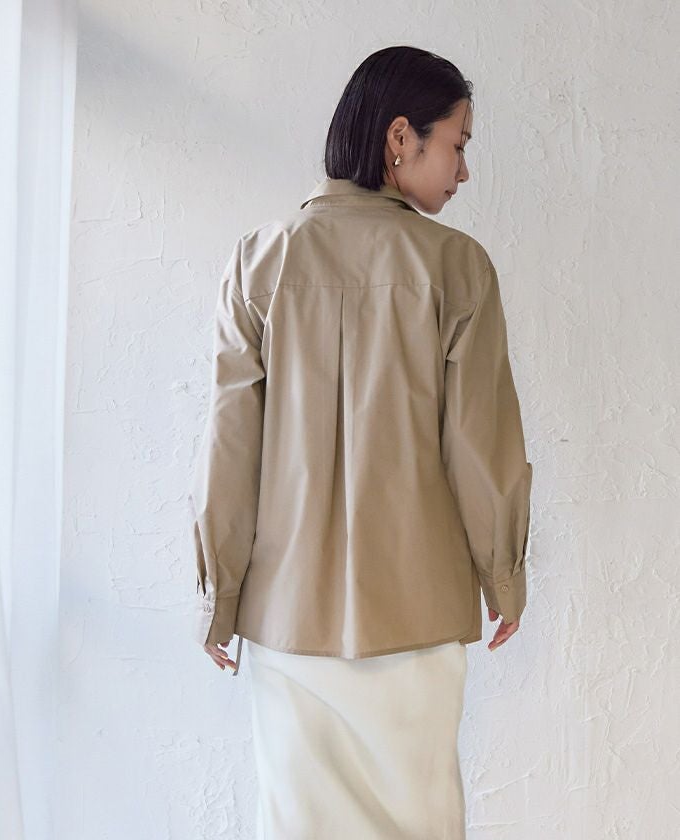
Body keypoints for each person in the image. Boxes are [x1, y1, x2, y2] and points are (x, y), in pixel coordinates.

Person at [188, 45, 533, 840]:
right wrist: (502, 576)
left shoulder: (258, 261)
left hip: (286, 620)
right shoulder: (457, 267)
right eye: (458, 144)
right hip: (417, 620)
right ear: (400, 137)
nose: (464, 170)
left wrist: (220, 595)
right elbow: (481, 447)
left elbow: (231, 448)